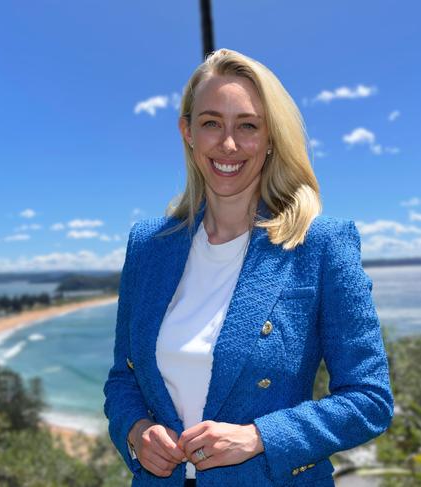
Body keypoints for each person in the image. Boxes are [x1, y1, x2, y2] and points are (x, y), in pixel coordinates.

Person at [103, 48, 394, 487]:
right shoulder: (148, 245)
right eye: (211, 123)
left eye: (248, 125)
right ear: (187, 132)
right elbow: (123, 379)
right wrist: (136, 433)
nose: (228, 144)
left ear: (271, 137)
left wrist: (259, 437)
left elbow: (369, 400)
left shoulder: (319, 244)